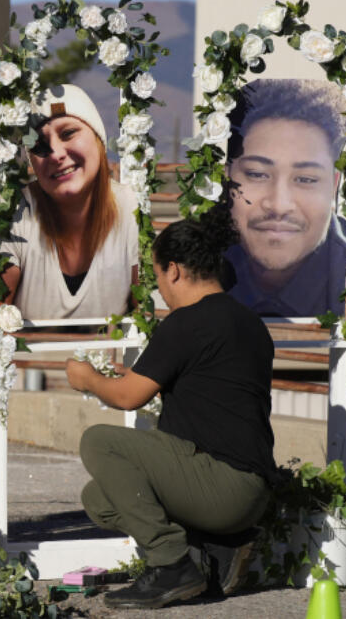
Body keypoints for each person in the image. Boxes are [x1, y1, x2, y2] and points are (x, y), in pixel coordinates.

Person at [67, 210, 275, 610]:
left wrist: (87, 378)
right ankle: (216, 551)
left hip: (220, 485)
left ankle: (171, 564)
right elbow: (213, 391)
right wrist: (145, 375)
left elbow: (128, 397)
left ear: (175, 270)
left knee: (100, 442)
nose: (160, 287)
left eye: (158, 276)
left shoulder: (185, 323)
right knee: (101, 497)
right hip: (250, 494)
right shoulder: (248, 322)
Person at [0, 84, 140, 319]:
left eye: (68, 133)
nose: (56, 154)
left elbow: (145, 315)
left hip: (111, 357)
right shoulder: (16, 211)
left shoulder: (129, 205)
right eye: (40, 146)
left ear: (98, 139)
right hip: (28, 357)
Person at [224, 79, 346, 317]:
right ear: (227, 177)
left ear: (334, 186)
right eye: (257, 174)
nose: (279, 205)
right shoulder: (203, 266)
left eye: (305, 179)